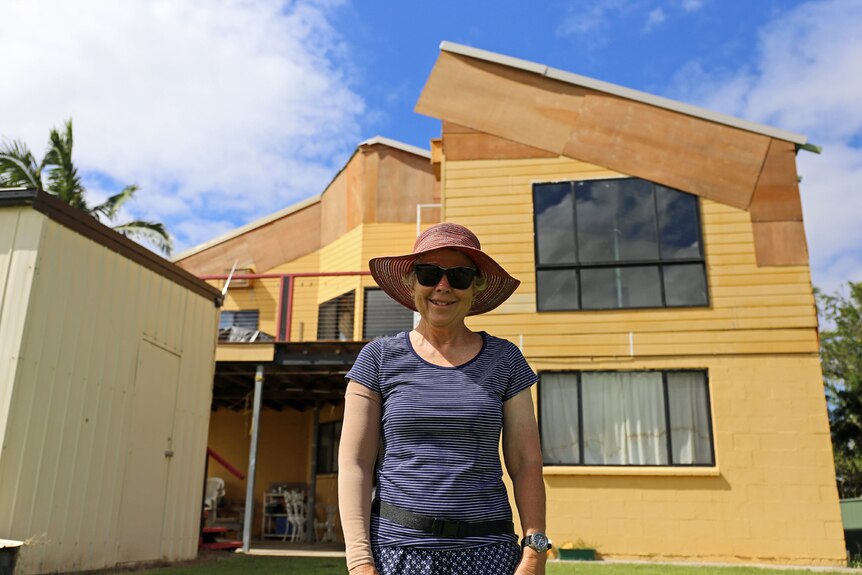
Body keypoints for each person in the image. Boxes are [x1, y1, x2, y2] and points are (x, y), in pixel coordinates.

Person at [338, 222, 549, 575]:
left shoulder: (506, 359)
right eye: (429, 273)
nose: (443, 287)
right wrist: (360, 561)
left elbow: (526, 461)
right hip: (397, 554)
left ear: (476, 287)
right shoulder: (377, 358)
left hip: (490, 555)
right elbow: (354, 465)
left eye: (460, 276)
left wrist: (534, 551)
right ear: (412, 282)